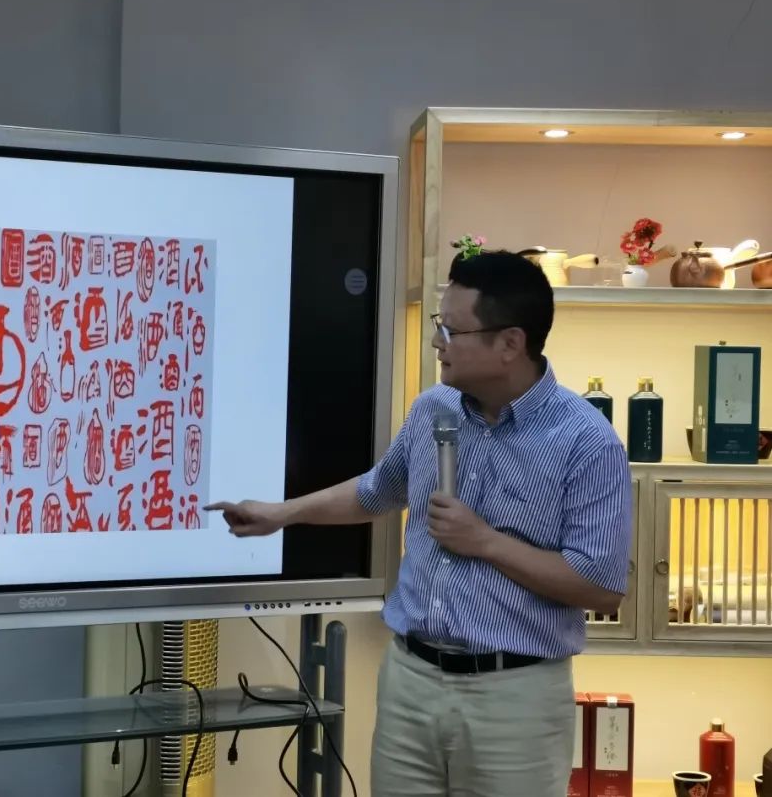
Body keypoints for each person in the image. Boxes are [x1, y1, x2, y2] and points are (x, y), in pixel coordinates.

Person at [205, 250, 632, 797]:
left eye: (451, 330)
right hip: (411, 679)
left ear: (510, 343)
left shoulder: (586, 442)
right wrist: (280, 514)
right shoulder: (435, 408)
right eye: (439, 325)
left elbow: (601, 586)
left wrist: (486, 542)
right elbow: (377, 491)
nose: (436, 342)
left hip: (516, 697)